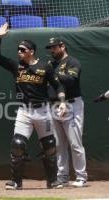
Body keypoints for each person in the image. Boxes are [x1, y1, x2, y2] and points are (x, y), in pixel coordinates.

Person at [0, 23, 66, 190]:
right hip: (24, 112)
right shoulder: (16, 66)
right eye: (18, 49)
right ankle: (16, 182)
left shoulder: (45, 66)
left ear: (31, 52)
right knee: (17, 145)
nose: (19, 52)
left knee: (49, 146)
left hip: (43, 111)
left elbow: (58, 86)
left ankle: (53, 181)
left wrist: (62, 102)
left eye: (23, 50)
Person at [46, 37, 88, 187]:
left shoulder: (72, 62)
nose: (52, 50)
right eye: (50, 47)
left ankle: (81, 176)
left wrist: (53, 75)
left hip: (71, 104)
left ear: (62, 46)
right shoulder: (51, 64)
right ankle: (62, 176)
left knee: (75, 143)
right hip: (54, 105)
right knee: (59, 144)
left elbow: (70, 80)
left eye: (54, 47)